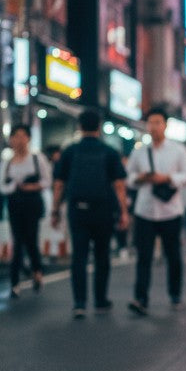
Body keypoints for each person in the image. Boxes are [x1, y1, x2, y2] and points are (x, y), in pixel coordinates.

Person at [51, 109, 129, 318]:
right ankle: (101, 300)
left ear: (79, 126)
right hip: (103, 210)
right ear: (99, 127)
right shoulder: (109, 152)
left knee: (79, 255)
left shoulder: (70, 151)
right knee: (102, 255)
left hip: (77, 210)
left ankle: (79, 302)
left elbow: (59, 184)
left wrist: (55, 209)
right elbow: (119, 185)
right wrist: (123, 211)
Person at [126, 107, 186, 314]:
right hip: (145, 210)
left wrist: (167, 178)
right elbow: (128, 178)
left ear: (165, 125)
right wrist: (141, 178)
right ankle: (141, 299)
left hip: (170, 211)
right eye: (150, 122)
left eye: (157, 122)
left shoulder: (178, 150)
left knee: (173, 255)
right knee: (143, 257)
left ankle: (175, 295)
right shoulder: (139, 152)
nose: (153, 127)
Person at [0, 124, 51, 298]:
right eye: (15, 136)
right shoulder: (6, 162)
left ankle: (37, 271)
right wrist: (14, 186)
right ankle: (15, 281)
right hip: (14, 203)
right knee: (17, 241)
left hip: (32, 203)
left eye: (22, 136)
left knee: (31, 238)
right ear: (11, 139)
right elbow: (1, 186)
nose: (19, 140)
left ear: (28, 138)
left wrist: (32, 186)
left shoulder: (37, 158)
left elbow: (47, 181)